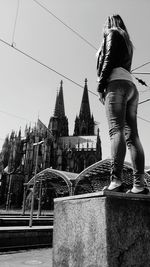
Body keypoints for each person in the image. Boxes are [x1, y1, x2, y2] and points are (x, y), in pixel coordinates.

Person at [96, 14, 149, 194]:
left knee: (115, 130)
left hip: (116, 85)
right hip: (131, 87)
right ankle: (139, 185)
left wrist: (101, 85)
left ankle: (116, 181)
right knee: (133, 136)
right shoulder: (127, 42)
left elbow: (109, 58)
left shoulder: (111, 33)